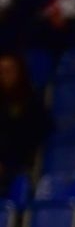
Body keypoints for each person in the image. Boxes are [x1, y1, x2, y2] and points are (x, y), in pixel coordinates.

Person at [0, 52, 48, 189]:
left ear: (19, 72)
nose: (4, 76)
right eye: (1, 72)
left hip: (17, 162)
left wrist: (6, 163)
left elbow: (30, 139)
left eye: (8, 71)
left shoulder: (31, 103)